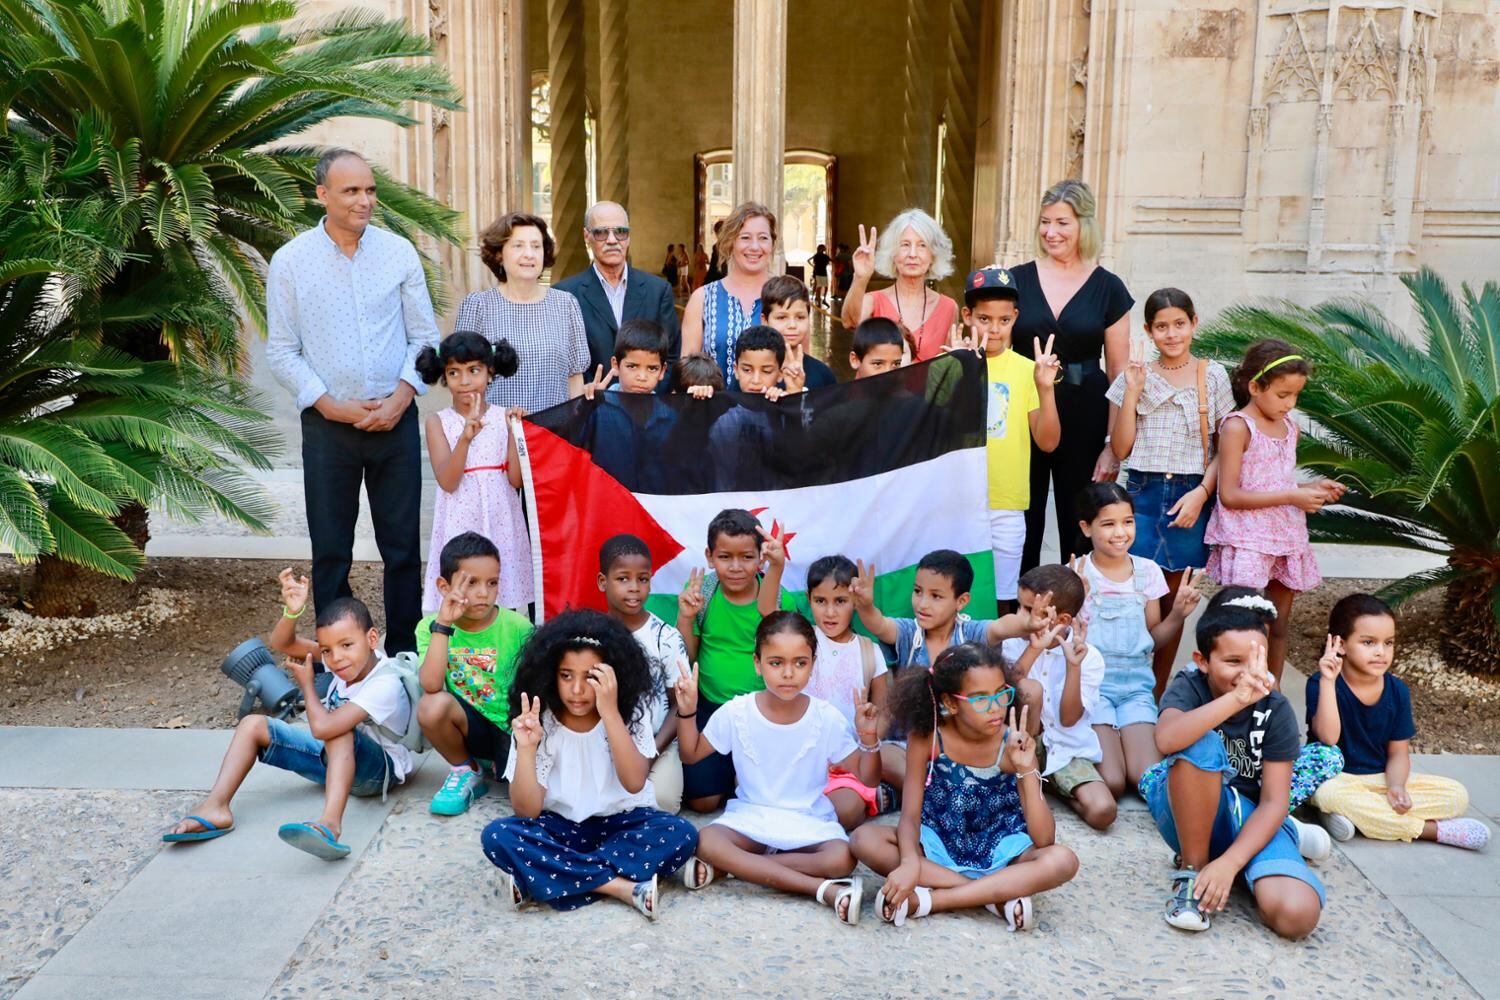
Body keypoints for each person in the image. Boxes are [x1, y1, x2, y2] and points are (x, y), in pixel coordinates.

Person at [265, 149, 438, 655]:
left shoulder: (399, 253)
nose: (365, 201)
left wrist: (402, 398)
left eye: (370, 190)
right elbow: (282, 351)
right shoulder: (292, 261)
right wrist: (330, 406)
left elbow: (425, 338)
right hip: (329, 428)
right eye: (352, 191)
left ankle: (406, 656)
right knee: (332, 552)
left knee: (403, 548)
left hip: (395, 421)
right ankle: (339, 659)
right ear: (322, 195)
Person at [480, 610, 699, 918]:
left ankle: (546, 876)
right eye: (566, 676)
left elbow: (634, 782)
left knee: (681, 834)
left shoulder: (629, 711)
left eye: (591, 677)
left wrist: (609, 712)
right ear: (550, 674)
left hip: (620, 823)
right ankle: (620, 886)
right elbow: (526, 812)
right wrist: (527, 749)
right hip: (558, 827)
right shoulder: (538, 717)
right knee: (498, 835)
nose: (578, 690)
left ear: (612, 676)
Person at [163, 596, 414, 859]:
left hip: (377, 772)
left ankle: (329, 825)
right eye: (326, 650)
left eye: (346, 645)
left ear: (372, 639)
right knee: (253, 725)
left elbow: (324, 730)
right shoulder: (346, 659)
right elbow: (284, 643)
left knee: (338, 732)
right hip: (334, 759)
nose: (336, 659)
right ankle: (216, 808)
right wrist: (292, 612)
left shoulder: (384, 683)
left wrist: (307, 685)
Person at [851, 643, 1079, 929]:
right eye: (981, 699)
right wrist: (909, 862)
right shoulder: (928, 738)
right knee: (864, 840)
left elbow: (1044, 839)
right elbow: (909, 815)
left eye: (1001, 694)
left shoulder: (1014, 744)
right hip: (938, 845)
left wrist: (1026, 770)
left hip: (1003, 849)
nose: (996, 707)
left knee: (1063, 860)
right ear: (950, 703)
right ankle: (995, 896)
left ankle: (935, 901)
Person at [675, 611, 881, 926]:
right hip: (751, 818)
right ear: (757, 663)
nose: (788, 673)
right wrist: (687, 712)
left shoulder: (826, 718)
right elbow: (690, 755)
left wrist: (869, 740)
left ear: (814, 663)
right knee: (706, 840)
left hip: (807, 820)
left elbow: (868, 779)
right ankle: (822, 890)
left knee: (842, 857)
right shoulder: (737, 712)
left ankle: (737, 867)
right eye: (776, 663)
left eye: (800, 663)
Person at [1139, 603, 1325, 938]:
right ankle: (1193, 875)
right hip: (1190, 813)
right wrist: (1237, 699)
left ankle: (1241, 863)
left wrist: (1231, 863)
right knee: (1200, 742)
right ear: (1202, 662)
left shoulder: (1276, 708)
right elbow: (1167, 738)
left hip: (1251, 818)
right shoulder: (1188, 687)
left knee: (1296, 916)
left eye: (1256, 661)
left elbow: (1273, 802)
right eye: (1233, 661)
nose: (1247, 672)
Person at [1107, 288, 1234, 694]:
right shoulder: (1137, 373)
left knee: (1175, 600)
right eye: (1162, 326)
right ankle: (1127, 685)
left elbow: (1224, 446)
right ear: (1148, 331)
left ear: (1194, 324)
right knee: (1138, 595)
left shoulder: (1211, 375)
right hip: (1142, 491)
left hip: (1188, 494)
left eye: (1179, 324)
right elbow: (1122, 447)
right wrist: (1132, 390)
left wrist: (1201, 493)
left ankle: (1156, 692)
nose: (1172, 333)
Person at [1008, 180, 1134, 574]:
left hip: (1086, 411)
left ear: (1084, 225)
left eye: (1062, 222)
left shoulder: (1109, 288)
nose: (1051, 232)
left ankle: (1076, 609)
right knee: (1020, 517)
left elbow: (1117, 372)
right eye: (1045, 223)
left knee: (1079, 516)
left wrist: (1112, 444)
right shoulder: (1015, 280)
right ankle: (1017, 614)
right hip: (1024, 408)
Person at [1205, 339, 1347, 683]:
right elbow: (1230, 495)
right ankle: (1237, 699)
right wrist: (1292, 495)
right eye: (1283, 395)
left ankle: (1272, 699)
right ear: (1255, 387)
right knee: (1245, 626)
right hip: (1248, 539)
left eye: (1296, 395)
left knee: (1278, 626)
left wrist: (1310, 490)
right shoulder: (1237, 426)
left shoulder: (1290, 429)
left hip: (1284, 536)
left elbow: (1277, 482)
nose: (1290, 404)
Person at [1307, 595, 1490, 850]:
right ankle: (1429, 830)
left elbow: (1398, 753)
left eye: (1389, 642)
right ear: (1340, 644)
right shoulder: (1321, 683)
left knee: (1457, 795)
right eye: (1368, 642)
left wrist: (1395, 787)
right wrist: (1328, 682)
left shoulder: (1398, 691)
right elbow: (1328, 738)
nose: (1381, 651)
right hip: (1336, 779)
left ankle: (1356, 817)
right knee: (1328, 794)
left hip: (1380, 780)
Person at [851, 550, 1040, 789]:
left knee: (1031, 692)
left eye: (936, 596)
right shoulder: (909, 633)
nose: (922, 604)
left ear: (961, 601)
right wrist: (866, 607)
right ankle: (939, 790)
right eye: (918, 591)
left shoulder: (970, 634)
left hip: (962, 742)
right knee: (887, 758)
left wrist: (1026, 624)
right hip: (911, 744)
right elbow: (878, 624)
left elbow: (1001, 627)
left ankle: (992, 780)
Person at [1072, 483, 1203, 802]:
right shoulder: (1076, 573)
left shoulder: (1147, 572)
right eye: (1108, 524)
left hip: (1136, 690)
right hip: (1093, 691)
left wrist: (1177, 615)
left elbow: (1153, 638)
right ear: (1086, 528)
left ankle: (1124, 739)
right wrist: (1080, 596)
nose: (1120, 532)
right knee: (1113, 782)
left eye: (1127, 521)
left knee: (1146, 780)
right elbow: (1067, 640)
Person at [675, 509, 798, 811]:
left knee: (765, 797)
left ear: (761, 559)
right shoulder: (702, 593)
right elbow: (687, 657)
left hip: (764, 713)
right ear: (709, 556)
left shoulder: (780, 599)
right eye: (725, 557)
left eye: (746, 557)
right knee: (702, 802)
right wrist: (686, 619)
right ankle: (727, 774)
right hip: (711, 708)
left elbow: (770, 615)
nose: (735, 567)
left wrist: (777, 569)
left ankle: (741, 776)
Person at [960, 266, 1061, 610]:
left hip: (1007, 503)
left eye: (1004, 320)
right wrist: (959, 371)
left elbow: (1048, 442)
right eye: (984, 319)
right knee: (959, 595)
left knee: (1003, 599)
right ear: (967, 316)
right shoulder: (950, 365)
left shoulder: (1024, 370)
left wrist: (1045, 388)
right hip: (959, 502)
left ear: (1015, 317)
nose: (994, 328)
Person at [415, 533, 534, 816]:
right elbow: (431, 684)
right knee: (432, 706)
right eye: (472, 583)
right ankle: (466, 769)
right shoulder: (429, 627)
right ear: (444, 586)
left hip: (512, 727)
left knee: (529, 802)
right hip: (469, 727)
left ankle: (501, 763)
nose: (483, 593)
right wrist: (443, 624)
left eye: (492, 583)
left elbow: (534, 688)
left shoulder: (518, 627)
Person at [770, 552, 891, 828]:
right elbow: (768, 610)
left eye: (840, 601)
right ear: (809, 600)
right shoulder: (800, 641)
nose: (830, 611)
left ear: (855, 602)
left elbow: (883, 713)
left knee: (846, 812)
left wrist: (862, 747)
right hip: (796, 757)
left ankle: (878, 795)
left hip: (848, 762)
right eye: (820, 601)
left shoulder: (869, 651)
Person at [414, 332, 530, 613]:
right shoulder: (437, 422)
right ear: (444, 377)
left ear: (490, 372)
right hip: (460, 520)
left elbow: (515, 480)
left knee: (500, 593)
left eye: (473, 371)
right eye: (454, 372)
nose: (464, 381)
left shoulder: (505, 418)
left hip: (501, 517)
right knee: (462, 592)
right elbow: (448, 481)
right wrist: (465, 438)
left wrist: (517, 434)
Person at [1003, 565, 1115, 830]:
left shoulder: (1090, 657)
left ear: (1062, 619)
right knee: (1030, 689)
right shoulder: (1013, 643)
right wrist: (1033, 649)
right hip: (1019, 745)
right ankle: (1029, 776)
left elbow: (1068, 719)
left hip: (1065, 748)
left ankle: (1052, 785)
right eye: (1019, 607)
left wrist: (1073, 666)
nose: (1021, 616)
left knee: (1103, 811)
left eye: (1031, 610)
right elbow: (1004, 692)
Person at [458, 212, 589, 414]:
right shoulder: (478, 306)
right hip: (494, 432)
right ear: (499, 254)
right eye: (518, 246)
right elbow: (462, 380)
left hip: (553, 433)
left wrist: (577, 428)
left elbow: (575, 377)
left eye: (536, 246)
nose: (529, 254)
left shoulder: (566, 304)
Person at [598, 534, 690, 814]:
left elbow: (679, 706)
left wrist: (651, 753)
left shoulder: (666, 637)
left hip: (657, 743)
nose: (635, 588)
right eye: (623, 579)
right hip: (603, 741)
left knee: (663, 801)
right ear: (603, 582)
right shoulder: (591, 634)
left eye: (643, 579)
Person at [553, 202, 681, 387]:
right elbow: (562, 361)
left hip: (646, 408)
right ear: (586, 236)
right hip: (590, 407)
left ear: (628, 237)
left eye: (620, 231)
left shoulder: (658, 291)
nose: (612, 240)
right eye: (601, 232)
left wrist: (648, 398)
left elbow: (671, 356)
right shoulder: (564, 294)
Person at [839, 211, 959, 362]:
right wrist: (860, 278)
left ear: (933, 255)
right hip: (878, 386)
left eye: (922, 245)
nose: (913, 254)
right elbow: (849, 322)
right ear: (892, 253)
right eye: (905, 245)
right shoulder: (874, 301)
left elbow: (948, 366)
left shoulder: (948, 308)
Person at [682, 202, 778, 386]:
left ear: (772, 243)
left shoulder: (788, 297)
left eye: (763, 238)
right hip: (714, 411)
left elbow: (802, 365)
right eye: (745, 238)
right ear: (730, 242)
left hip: (774, 411)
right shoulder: (703, 298)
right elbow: (687, 370)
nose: (755, 247)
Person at [760, 275, 837, 390]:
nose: (792, 325)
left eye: (800, 317)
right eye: (781, 317)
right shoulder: (751, 374)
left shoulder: (822, 374)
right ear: (765, 320)